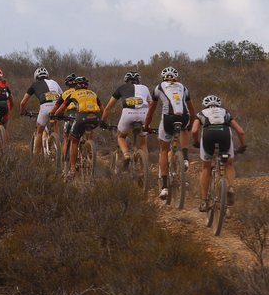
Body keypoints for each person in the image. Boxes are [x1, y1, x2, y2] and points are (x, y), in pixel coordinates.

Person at [143, 66, 196, 201]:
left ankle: (164, 187)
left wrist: (146, 125)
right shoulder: (183, 87)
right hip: (183, 117)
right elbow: (192, 110)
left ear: (163, 78)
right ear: (176, 78)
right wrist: (190, 123)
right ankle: (184, 158)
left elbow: (151, 110)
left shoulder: (159, 87)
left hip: (168, 119)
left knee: (164, 150)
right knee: (184, 129)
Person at [191, 95, 247, 212]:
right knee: (229, 164)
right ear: (218, 104)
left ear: (205, 105)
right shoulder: (225, 113)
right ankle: (230, 187)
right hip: (224, 136)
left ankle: (204, 201)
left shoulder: (201, 113)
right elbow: (240, 132)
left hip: (208, 137)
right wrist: (242, 146)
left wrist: (196, 142)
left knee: (206, 167)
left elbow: (194, 130)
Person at [50, 76, 104, 179]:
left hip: (80, 117)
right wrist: (103, 121)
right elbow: (103, 109)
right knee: (89, 129)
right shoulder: (93, 94)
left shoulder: (72, 94)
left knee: (73, 140)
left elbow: (61, 108)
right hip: (96, 118)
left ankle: (73, 169)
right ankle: (90, 152)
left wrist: (55, 115)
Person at [100, 71, 152, 170]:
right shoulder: (145, 88)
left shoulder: (121, 87)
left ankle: (126, 154)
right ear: (138, 81)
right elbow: (151, 104)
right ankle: (144, 169)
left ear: (126, 80)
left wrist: (103, 121)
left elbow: (108, 107)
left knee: (121, 136)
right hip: (143, 114)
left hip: (128, 113)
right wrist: (148, 121)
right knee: (143, 143)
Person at [19, 67, 63, 155]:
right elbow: (63, 96)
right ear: (47, 75)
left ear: (36, 77)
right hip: (57, 106)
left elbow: (22, 103)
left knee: (39, 131)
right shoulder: (54, 82)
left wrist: (22, 111)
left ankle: (36, 155)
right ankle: (58, 145)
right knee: (54, 122)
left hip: (45, 106)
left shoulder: (34, 85)